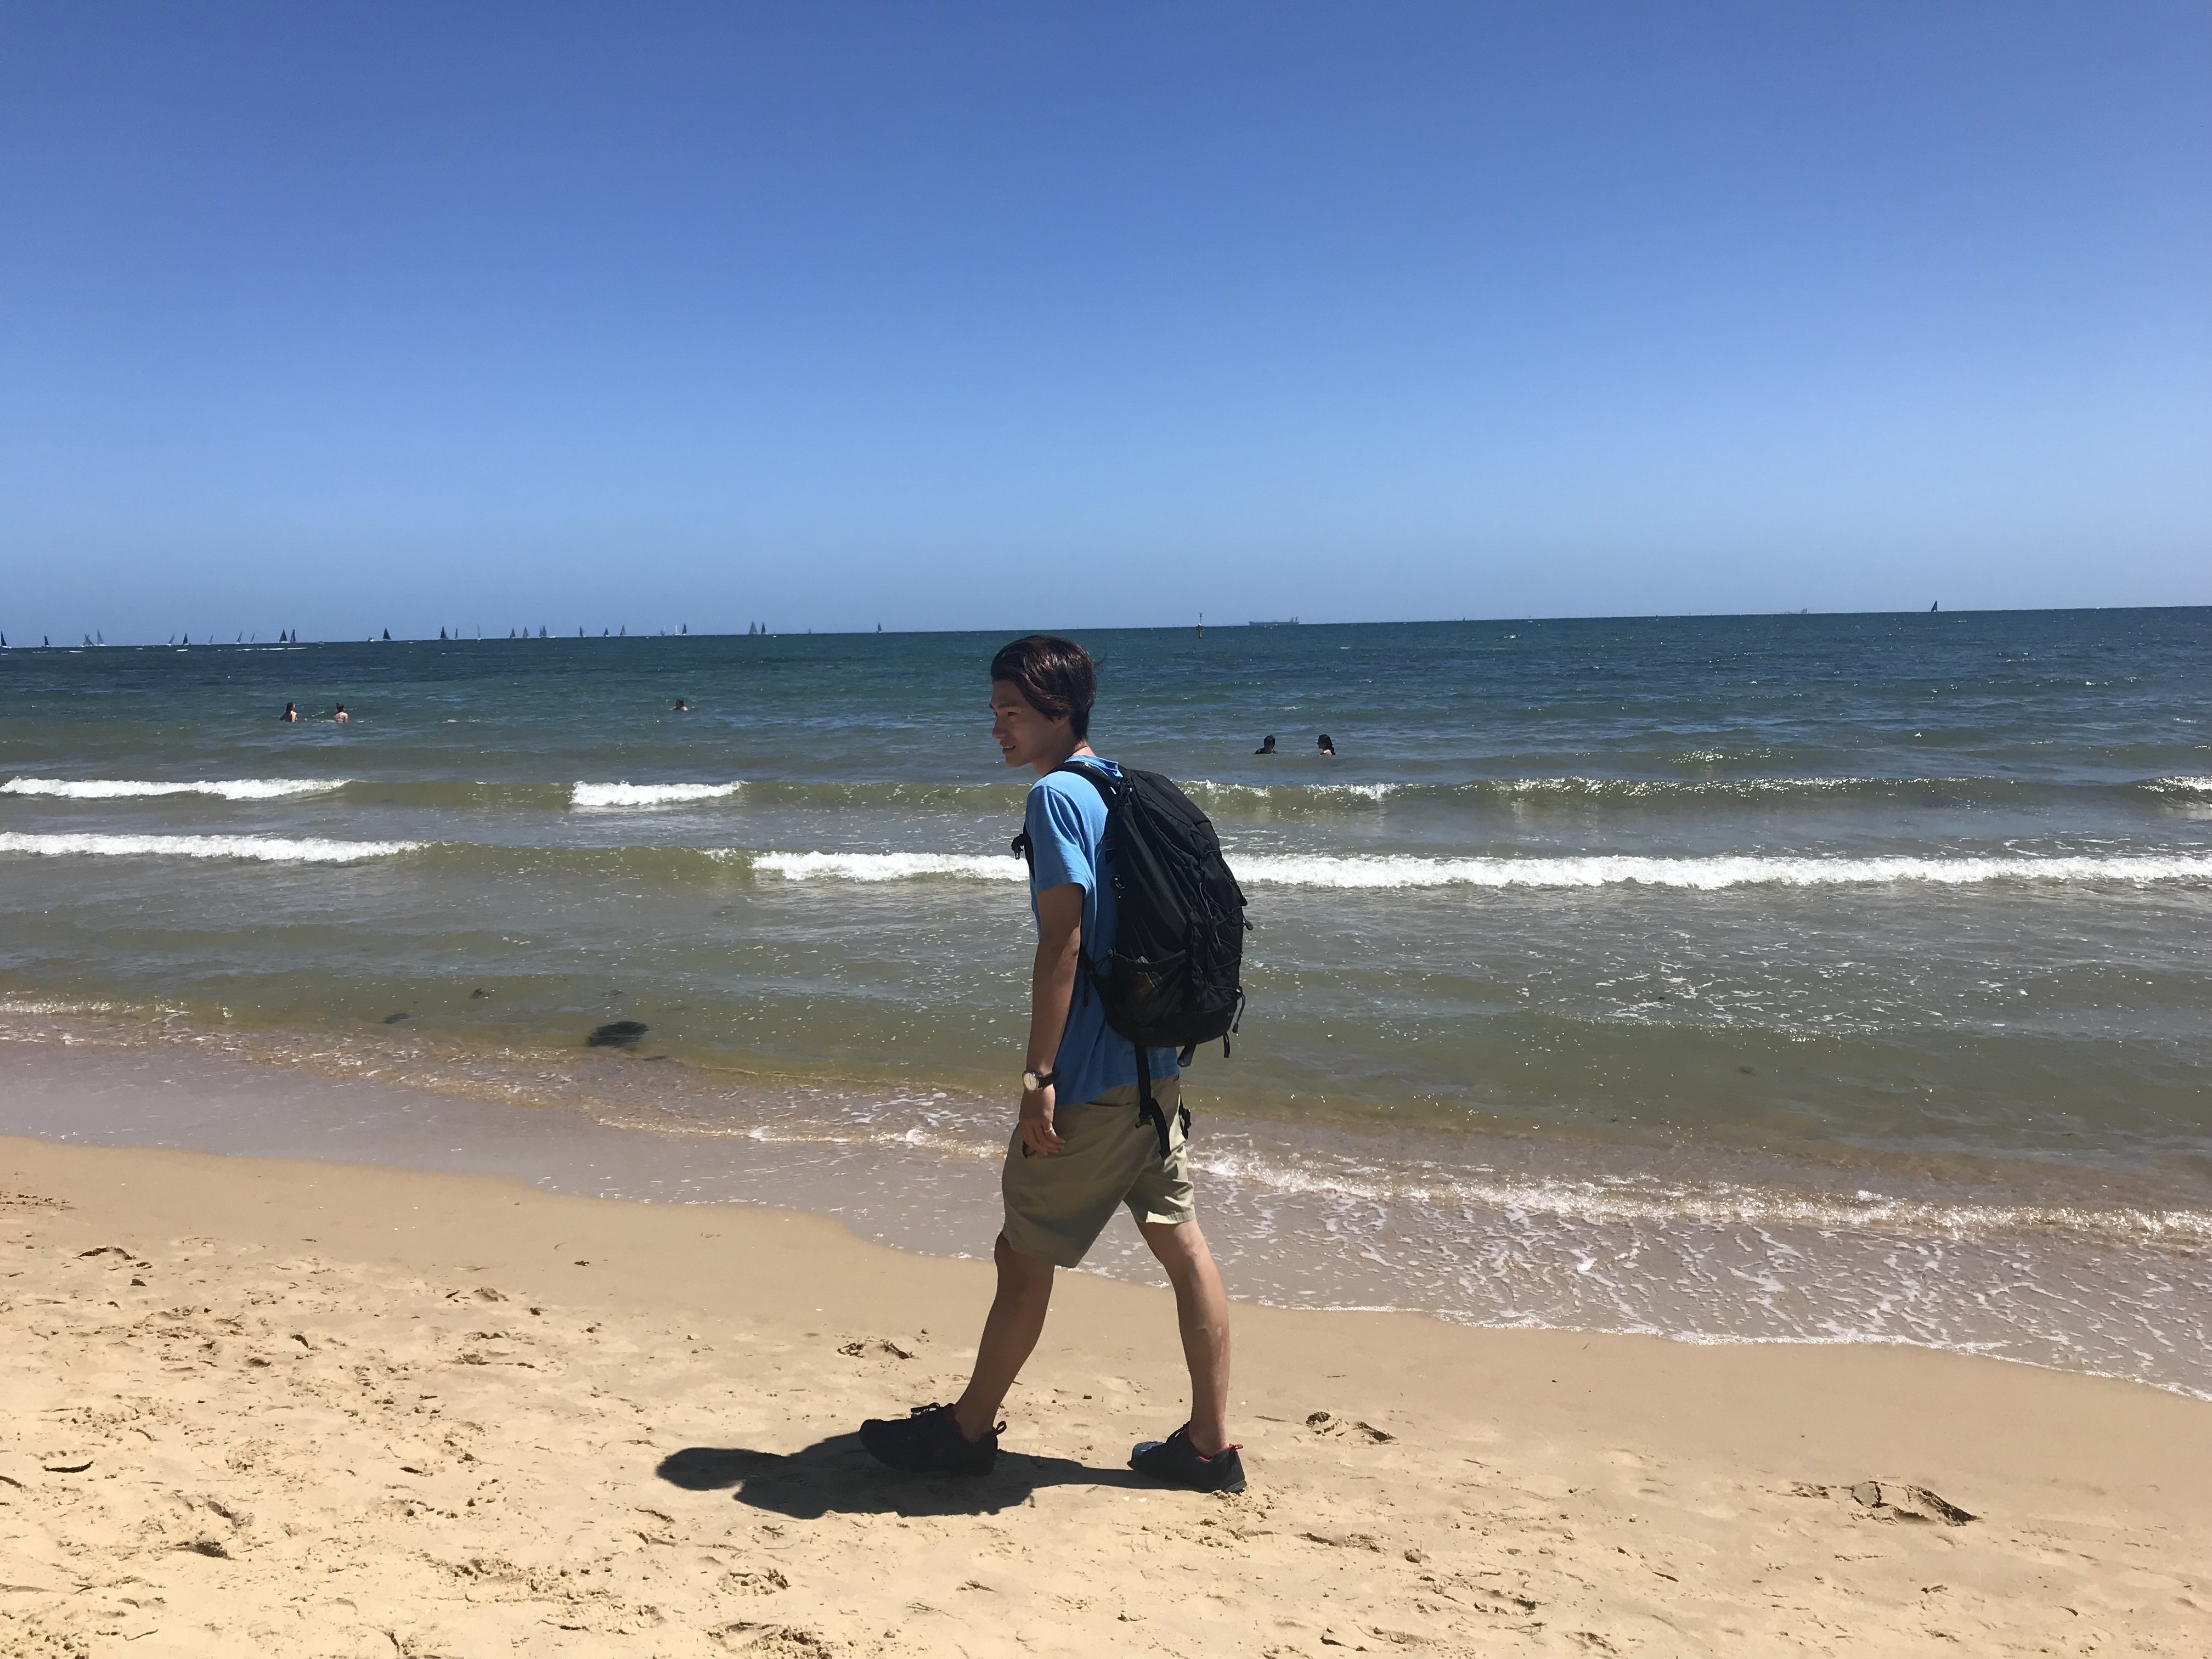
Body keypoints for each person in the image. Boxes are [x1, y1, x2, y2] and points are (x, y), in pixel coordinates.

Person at [859, 634, 1244, 1492]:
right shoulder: (1124, 785)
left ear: (1059, 712)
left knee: (1023, 1256)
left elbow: (1062, 946)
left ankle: (966, 1432)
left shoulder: (1057, 799)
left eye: (1012, 711)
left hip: (1093, 1081)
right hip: (1155, 1070)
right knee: (1184, 1247)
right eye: (994, 709)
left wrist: (1039, 1077)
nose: (997, 727)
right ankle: (1210, 1447)